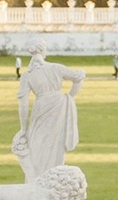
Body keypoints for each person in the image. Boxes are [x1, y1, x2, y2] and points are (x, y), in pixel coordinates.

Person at [11, 48, 86, 180]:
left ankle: (38, 181)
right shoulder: (56, 68)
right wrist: (69, 97)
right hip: (58, 106)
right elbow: (79, 77)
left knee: (37, 147)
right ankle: (51, 180)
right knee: (56, 145)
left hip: (41, 107)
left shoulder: (28, 75)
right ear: (44, 52)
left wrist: (23, 128)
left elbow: (23, 104)